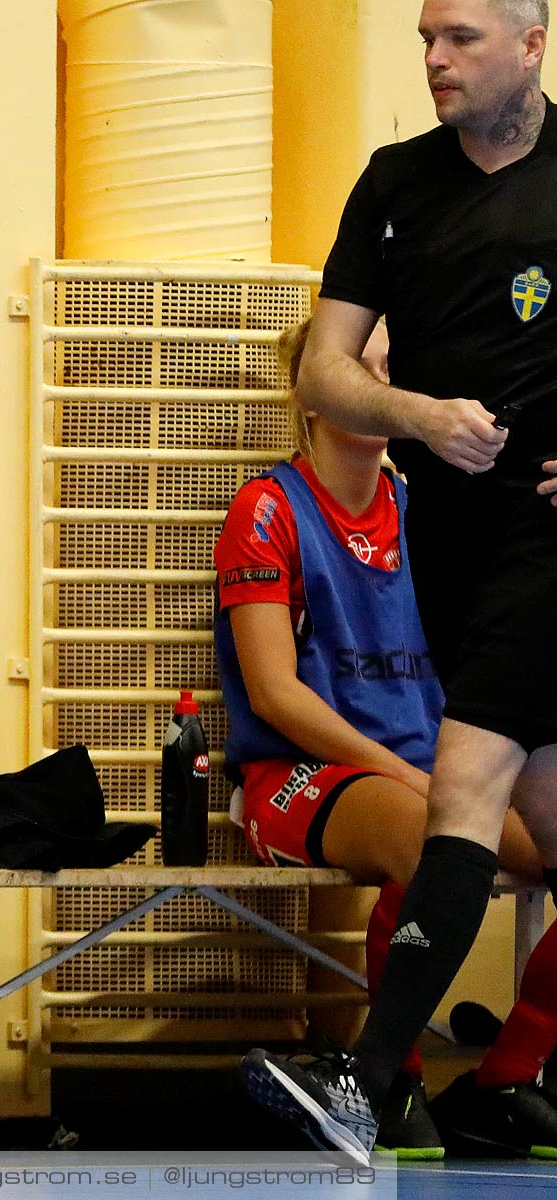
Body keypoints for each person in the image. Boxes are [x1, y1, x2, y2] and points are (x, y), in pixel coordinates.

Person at [238, 0, 557, 1162]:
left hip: (544, 539)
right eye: (424, 36)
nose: (433, 58)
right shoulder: (392, 184)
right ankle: (509, 1070)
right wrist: (414, 413)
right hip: (453, 544)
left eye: (460, 37)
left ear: (529, 43)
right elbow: (326, 369)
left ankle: (371, 1076)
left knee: (460, 783)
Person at [217, 318, 556, 1160]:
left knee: (470, 834)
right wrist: (417, 783)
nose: (377, 385)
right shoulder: (267, 507)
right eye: (356, 368)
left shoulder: (432, 506)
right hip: (298, 777)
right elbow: (274, 695)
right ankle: (387, 1079)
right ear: (312, 391)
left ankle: (506, 1078)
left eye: (389, 369)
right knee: (436, 842)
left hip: (431, 773)